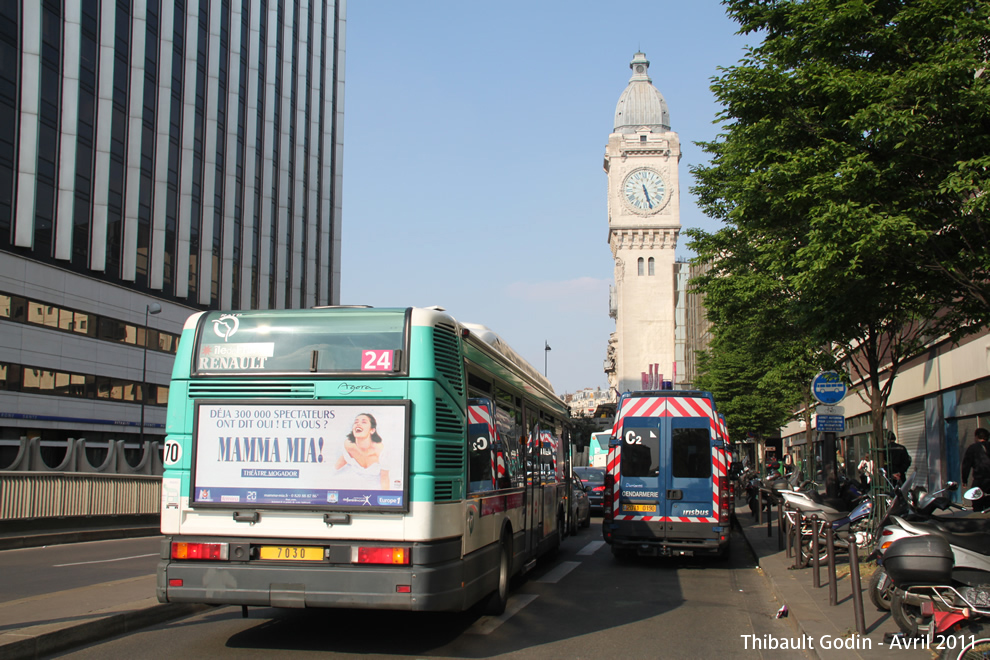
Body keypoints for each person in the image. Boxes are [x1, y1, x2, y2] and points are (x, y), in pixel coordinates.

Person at [332, 413, 394, 490]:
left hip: (376, 490)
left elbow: (385, 479)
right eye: (356, 422)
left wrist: (385, 498)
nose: (358, 424)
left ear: (372, 430)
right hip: (353, 489)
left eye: (364, 422)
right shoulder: (348, 445)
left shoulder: (381, 451)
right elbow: (337, 466)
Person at [961, 427, 990, 512]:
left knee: (977, 501)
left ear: (977, 437)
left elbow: (966, 465)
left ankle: (978, 517)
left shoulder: (973, 448)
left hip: (979, 480)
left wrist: (964, 480)